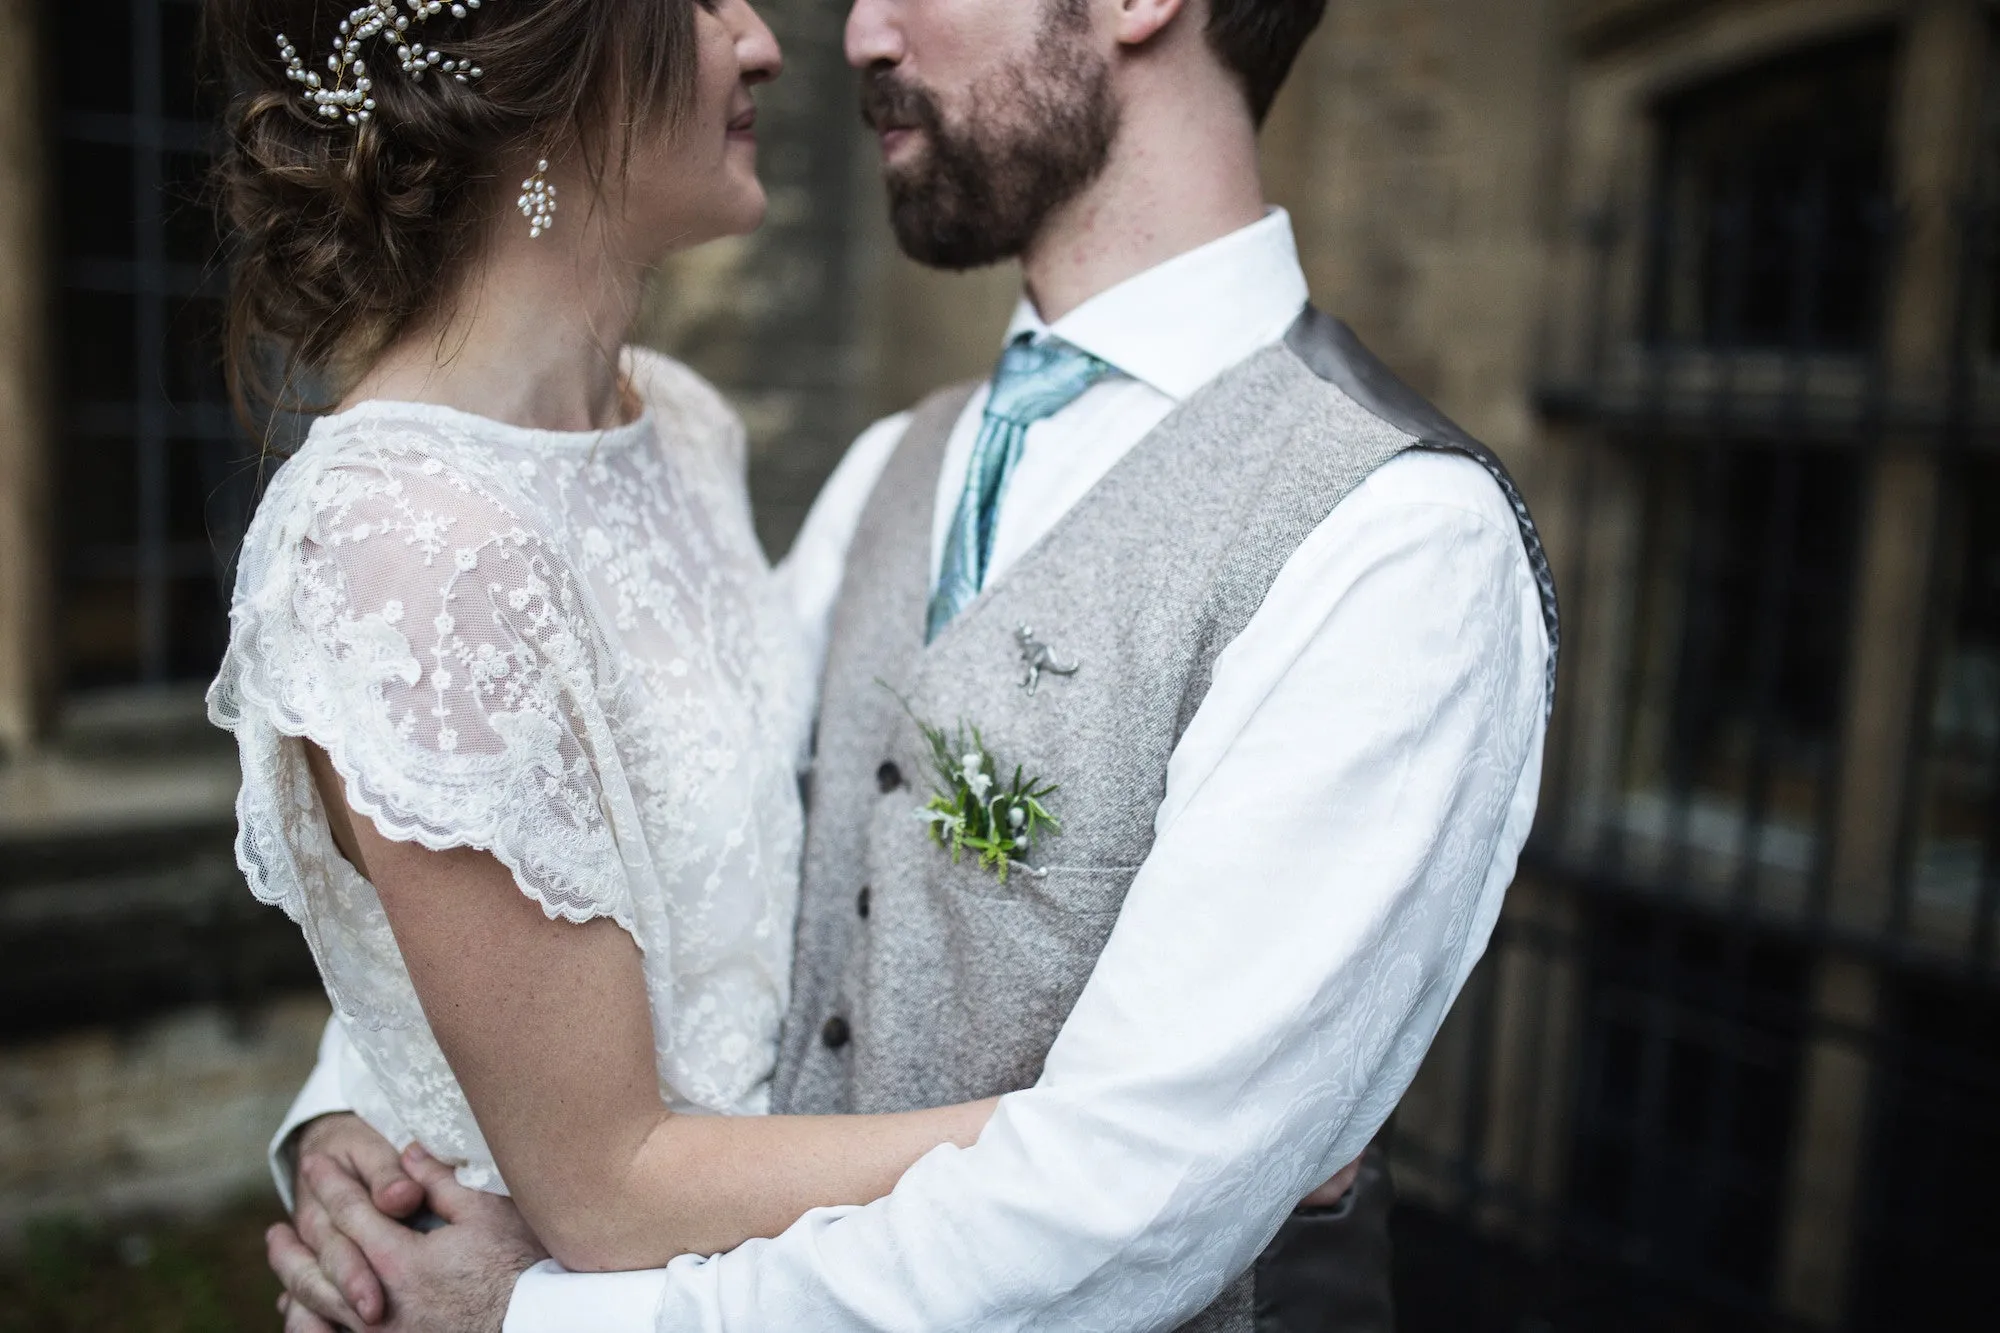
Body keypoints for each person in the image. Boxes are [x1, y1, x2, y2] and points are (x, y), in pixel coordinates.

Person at [263, 0, 1558, 1329]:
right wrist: (361, 1119)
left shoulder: (1394, 540)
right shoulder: (891, 466)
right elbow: (600, 837)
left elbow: (1137, 1205)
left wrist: (544, 1320)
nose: (851, 34)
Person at [203, 0, 1189, 1329]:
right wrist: (1137, 1138)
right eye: (708, 3)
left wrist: (349, 1096)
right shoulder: (403, 547)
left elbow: (593, 889)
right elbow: (610, 1188)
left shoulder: (675, 425)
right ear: (558, 78)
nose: (769, 44)